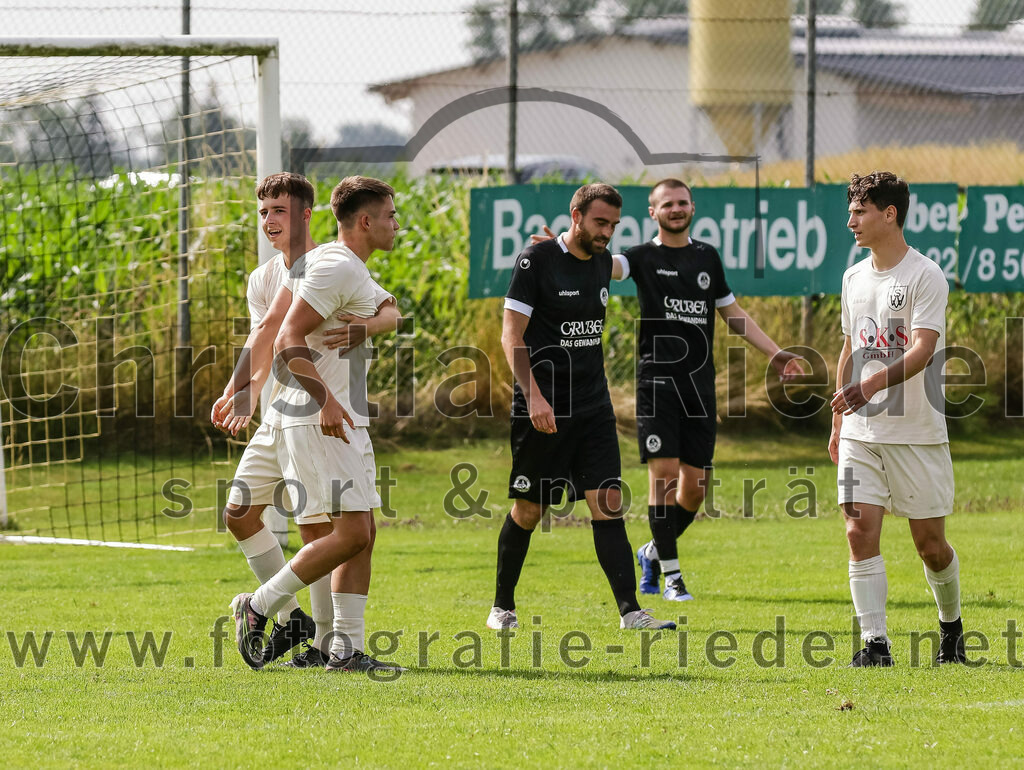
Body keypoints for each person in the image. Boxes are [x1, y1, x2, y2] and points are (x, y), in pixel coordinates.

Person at [534, 178, 804, 602]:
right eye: (667, 204)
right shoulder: (642, 257)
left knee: (694, 489)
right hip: (657, 385)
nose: (676, 209)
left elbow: (731, 311)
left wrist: (776, 354)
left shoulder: (706, 257)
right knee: (662, 478)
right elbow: (600, 262)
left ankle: (653, 552)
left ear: (692, 207)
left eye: (682, 202)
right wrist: (560, 250)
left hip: (699, 387)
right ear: (653, 213)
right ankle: (673, 577)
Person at [218, 175, 402, 672]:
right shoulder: (314, 269)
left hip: (321, 414)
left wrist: (368, 325)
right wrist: (243, 391)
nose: (269, 220)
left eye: (279, 210)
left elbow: (391, 311)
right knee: (340, 531)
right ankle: (274, 611)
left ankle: (329, 643)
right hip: (309, 415)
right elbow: (274, 336)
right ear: (365, 221)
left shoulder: (327, 262)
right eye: (263, 212)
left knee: (343, 530)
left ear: (305, 215)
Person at [487, 182, 676, 632]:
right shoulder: (535, 262)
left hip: (593, 407)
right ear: (577, 216)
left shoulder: (602, 261)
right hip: (543, 408)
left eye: (613, 224)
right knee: (530, 511)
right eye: (599, 222)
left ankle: (632, 612)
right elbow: (511, 336)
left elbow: (624, 266)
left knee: (608, 504)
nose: (607, 232)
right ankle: (502, 607)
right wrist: (534, 397)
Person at [829, 171, 965, 667]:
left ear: (890, 214)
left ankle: (951, 630)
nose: (851, 222)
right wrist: (839, 421)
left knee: (931, 546)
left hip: (916, 433)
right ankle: (875, 645)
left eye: (860, 212)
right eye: (850, 212)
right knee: (857, 531)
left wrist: (870, 385)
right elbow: (849, 347)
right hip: (861, 433)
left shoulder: (925, 275)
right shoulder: (852, 277)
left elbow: (924, 351)